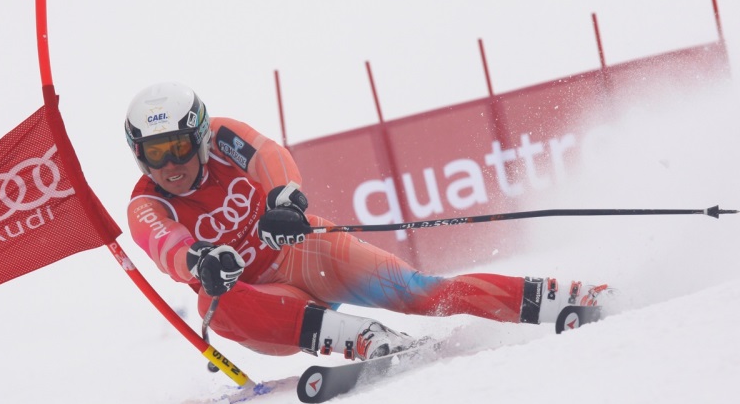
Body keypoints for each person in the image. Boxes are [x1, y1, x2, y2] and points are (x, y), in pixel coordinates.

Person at [125, 82, 612, 360]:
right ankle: (362, 339)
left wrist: (285, 203)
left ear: (199, 136)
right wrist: (201, 262)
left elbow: (268, 155)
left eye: (179, 146)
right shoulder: (147, 203)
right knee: (214, 296)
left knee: (423, 291)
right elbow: (163, 243)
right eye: (155, 152)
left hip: (303, 252)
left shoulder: (223, 135)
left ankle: (560, 299)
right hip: (267, 306)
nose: (170, 164)